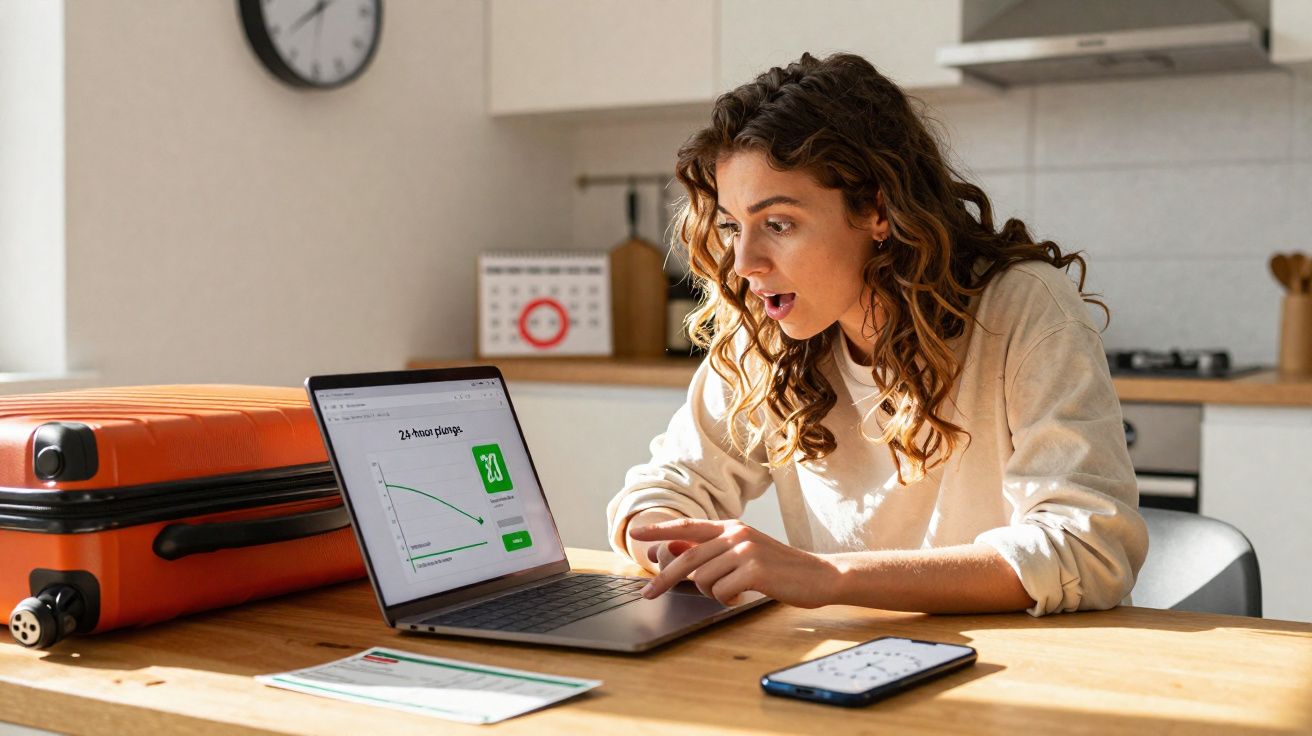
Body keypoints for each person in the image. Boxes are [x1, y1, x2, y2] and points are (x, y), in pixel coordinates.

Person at [605, 52, 1148, 616]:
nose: (744, 261)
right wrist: (674, 540)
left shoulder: (1023, 306)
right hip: (849, 663)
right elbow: (666, 488)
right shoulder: (770, 329)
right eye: (732, 226)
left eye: (779, 224)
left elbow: (1087, 545)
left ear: (878, 211)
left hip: (1021, 665)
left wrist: (830, 576)